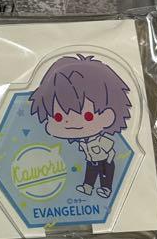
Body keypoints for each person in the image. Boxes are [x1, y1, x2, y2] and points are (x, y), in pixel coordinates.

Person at [29, 54, 132, 198]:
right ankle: (87, 187)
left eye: (88, 116)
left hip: (105, 161)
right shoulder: (82, 142)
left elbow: (110, 151)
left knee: (105, 175)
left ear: (108, 114)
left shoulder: (101, 139)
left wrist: (109, 160)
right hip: (91, 160)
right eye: (58, 117)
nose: (70, 122)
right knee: (90, 172)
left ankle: (106, 188)